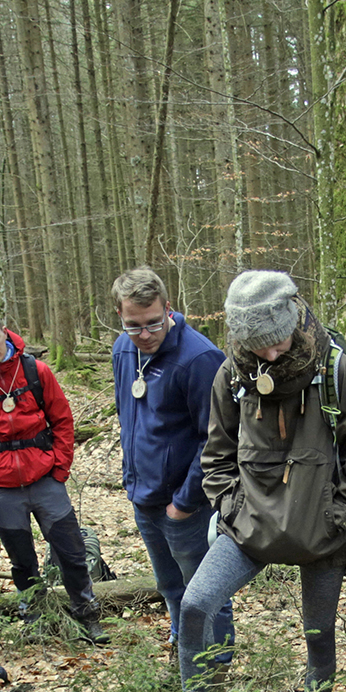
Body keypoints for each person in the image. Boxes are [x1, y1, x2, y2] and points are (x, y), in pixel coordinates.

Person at [132, 272, 346, 692]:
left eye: (275, 342)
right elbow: (217, 451)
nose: (267, 355)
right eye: (255, 344)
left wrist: (341, 515)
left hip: (321, 530)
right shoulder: (231, 374)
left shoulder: (334, 369)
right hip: (248, 528)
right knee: (196, 605)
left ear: (291, 320)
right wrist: (229, 506)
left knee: (318, 636)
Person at [0, 302, 107, 645]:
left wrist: (60, 468)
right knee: (22, 561)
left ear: (4, 330)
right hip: (1, 488)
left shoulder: (37, 371)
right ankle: (35, 617)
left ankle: (87, 613)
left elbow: (63, 421)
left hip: (46, 480)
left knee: (71, 551)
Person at [109, 267, 231, 656]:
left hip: (186, 505)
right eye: (133, 326)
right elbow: (129, 416)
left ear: (169, 309)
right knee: (169, 585)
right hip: (143, 496)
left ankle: (215, 661)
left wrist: (184, 502)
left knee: (203, 591)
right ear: (120, 317)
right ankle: (185, 653)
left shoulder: (199, 358)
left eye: (153, 323)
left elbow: (216, 439)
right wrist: (132, 483)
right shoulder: (122, 349)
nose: (144, 335)